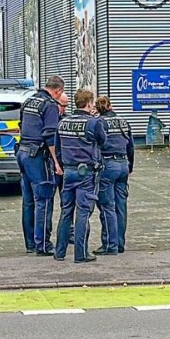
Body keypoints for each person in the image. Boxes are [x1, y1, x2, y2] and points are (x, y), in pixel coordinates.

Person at [53, 88, 107, 263]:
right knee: (83, 212)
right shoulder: (93, 123)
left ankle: (59, 252)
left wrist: (64, 164)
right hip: (86, 172)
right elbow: (102, 141)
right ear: (90, 103)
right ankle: (80, 253)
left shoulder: (63, 123)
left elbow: (58, 148)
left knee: (66, 211)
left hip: (68, 171)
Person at [18, 76, 64, 255]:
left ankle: (30, 243)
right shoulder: (49, 104)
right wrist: (56, 162)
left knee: (28, 201)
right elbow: (50, 135)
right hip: (38, 155)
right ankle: (43, 245)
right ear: (58, 91)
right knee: (43, 200)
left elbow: (22, 125)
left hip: (22, 151)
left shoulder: (29, 100)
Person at [94, 95, 134, 255]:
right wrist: (130, 166)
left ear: (97, 109)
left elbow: (96, 145)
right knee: (121, 206)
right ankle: (120, 243)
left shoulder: (99, 123)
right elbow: (130, 146)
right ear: (111, 105)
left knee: (106, 206)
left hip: (107, 165)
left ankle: (109, 244)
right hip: (123, 164)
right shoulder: (123, 121)